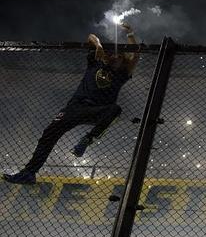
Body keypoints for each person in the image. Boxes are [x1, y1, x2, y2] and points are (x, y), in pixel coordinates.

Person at [3, 23, 139, 185]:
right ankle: (29, 173)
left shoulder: (122, 74)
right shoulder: (96, 63)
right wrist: (98, 44)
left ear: (123, 60)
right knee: (49, 135)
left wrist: (130, 33)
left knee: (115, 109)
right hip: (74, 108)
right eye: (113, 54)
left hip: (96, 110)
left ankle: (87, 140)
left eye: (119, 56)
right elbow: (90, 37)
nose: (115, 56)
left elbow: (135, 55)